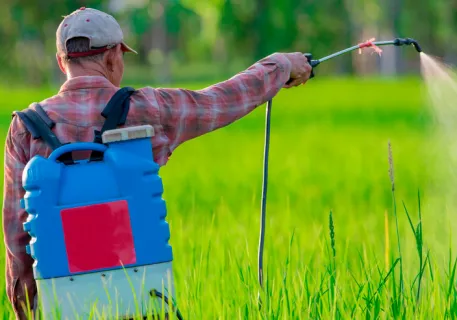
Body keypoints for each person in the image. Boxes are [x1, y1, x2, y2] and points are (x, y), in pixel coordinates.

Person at [2, 7, 313, 320]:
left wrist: (28, 310)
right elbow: (221, 101)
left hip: (62, 304)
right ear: (113, 58)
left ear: (61, 62)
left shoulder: (25, 127)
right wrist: (281, 65)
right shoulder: (147, 107)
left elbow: (16, 232)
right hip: (142, 298)